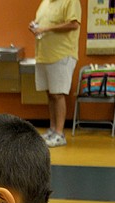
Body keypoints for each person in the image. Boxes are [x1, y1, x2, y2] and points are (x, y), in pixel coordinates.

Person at [30, 0, 82, 148]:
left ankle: (59, 133)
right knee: (51, 94)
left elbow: (74, 24)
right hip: (44, 55)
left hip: (61, 55)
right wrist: (35, 26)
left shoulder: (70, 2)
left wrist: (45, 29)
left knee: (58, 94)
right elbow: (41, 24)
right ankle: (52, 129)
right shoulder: (45, 3)